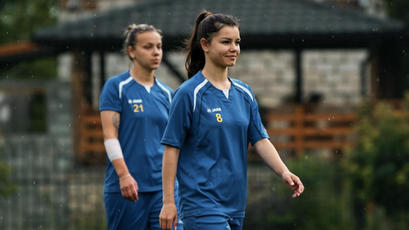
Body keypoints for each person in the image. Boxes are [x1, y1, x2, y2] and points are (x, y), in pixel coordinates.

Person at [159, 11, 304, 230]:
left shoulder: (244, 93)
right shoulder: (189, 94)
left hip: (235, 203)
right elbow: (171, 149)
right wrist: (168, 202)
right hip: (201, 203)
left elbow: (260, 140)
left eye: (237, 42)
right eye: (226, 42)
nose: (234, 48)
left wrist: (284, 171)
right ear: (205, 45)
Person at [99, 24, 180, 230]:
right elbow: (110, 136)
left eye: (159, 47)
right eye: (148, 46)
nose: (156, 52)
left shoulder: (168, 94)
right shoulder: (116, 87)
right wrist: (124, 175)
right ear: (132, 51)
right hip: (128, 189)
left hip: (164, 191)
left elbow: (176, 142)